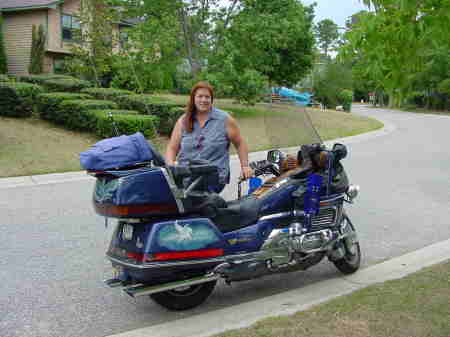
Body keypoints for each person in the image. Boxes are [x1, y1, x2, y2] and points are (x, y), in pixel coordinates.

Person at [165, 81, 253, 193]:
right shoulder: (183, 121)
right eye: (200, 96)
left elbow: (239, 143)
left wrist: (245, 166)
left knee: (196, 204)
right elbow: (172, 148)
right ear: (193, 98)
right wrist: (171, 168)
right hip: (186, 178)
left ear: (212, 99)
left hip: (214, 179)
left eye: (207, 97)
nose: (203, 100)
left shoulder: (224, 119)